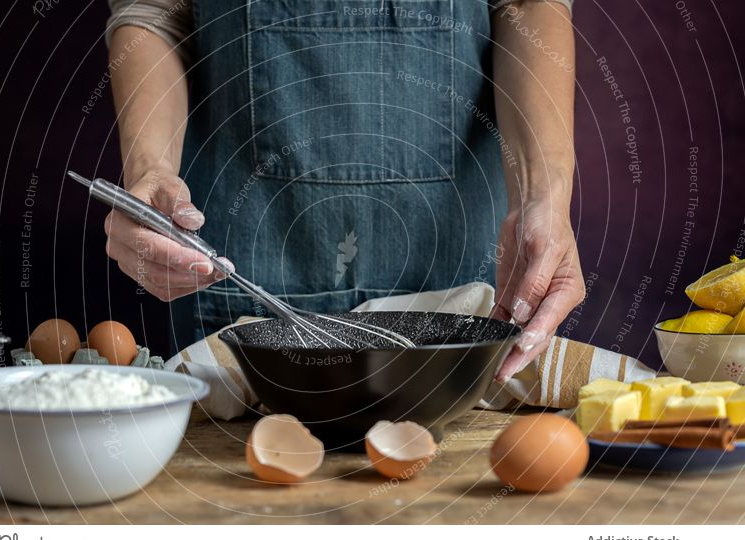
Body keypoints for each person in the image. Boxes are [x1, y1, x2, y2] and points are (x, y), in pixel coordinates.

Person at [104, 0, 584, 381]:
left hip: (456, 269)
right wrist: (149, 169)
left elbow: (525, 5)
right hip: (241, 279)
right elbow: (155, 15)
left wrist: (543, 195)